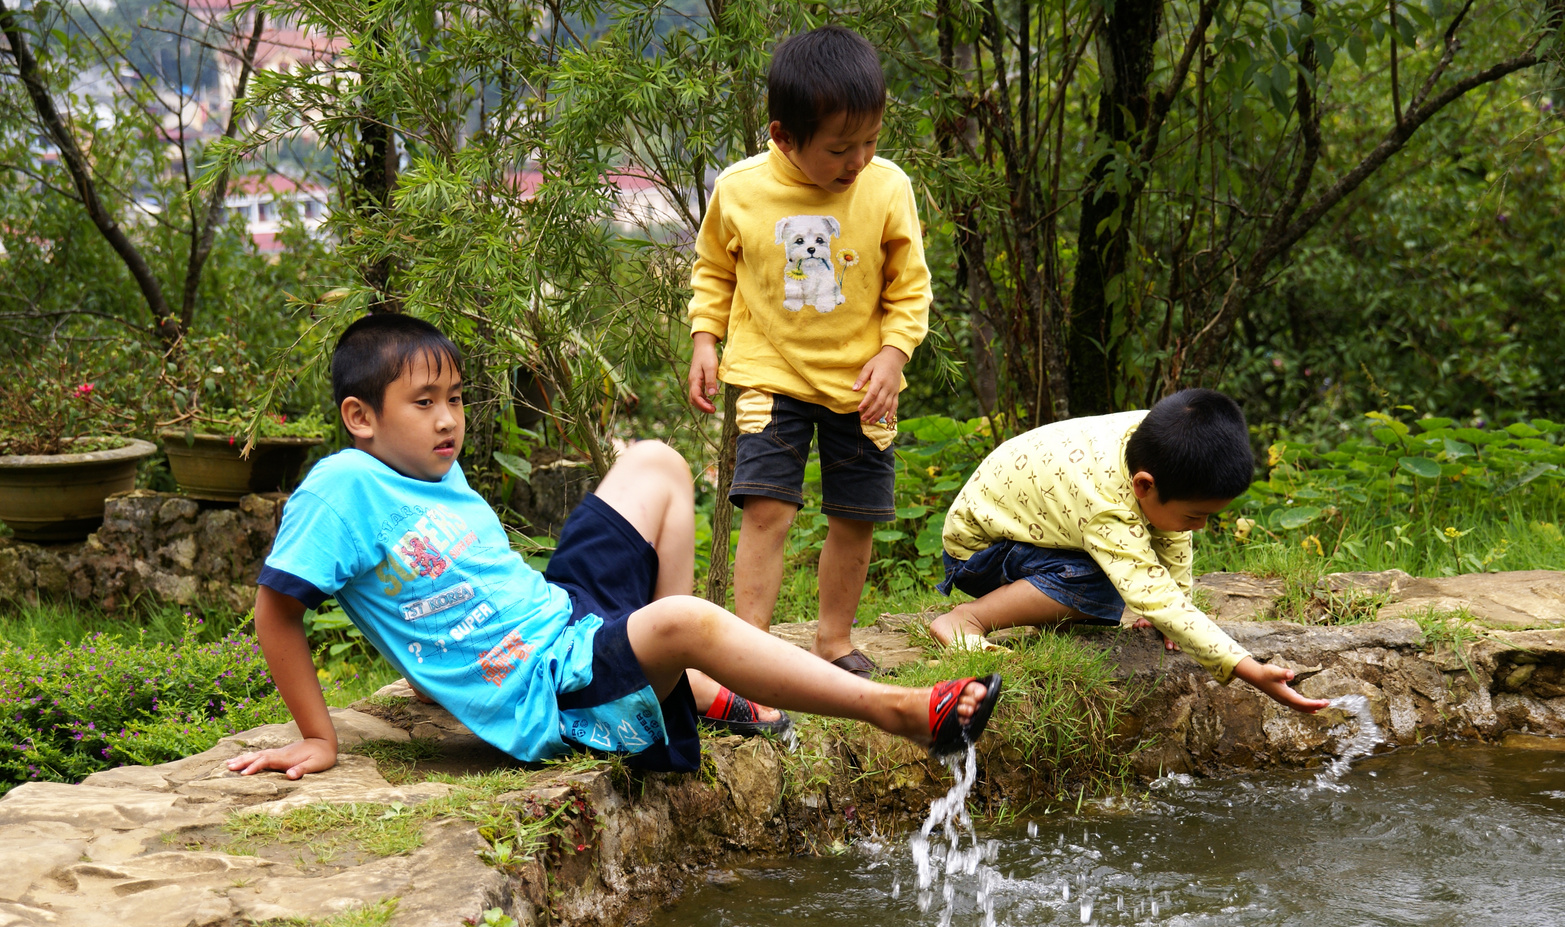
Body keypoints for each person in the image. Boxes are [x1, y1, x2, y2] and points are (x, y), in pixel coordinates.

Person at [226, 313, 1001, 782]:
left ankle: (683, 683)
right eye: (423, 403)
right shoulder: (341, 488)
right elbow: (276, 609)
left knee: (657, 461)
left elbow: (442, 588)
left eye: (455, 400)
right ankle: (892, 712)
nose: (447, 421)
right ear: (360, 417)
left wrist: (429, 674)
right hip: (547, 686)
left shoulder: (429, 468)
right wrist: (319, 738)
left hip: (564, 622)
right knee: (686, 620)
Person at [686, 25, 930, 681]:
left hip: (863, 386)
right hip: (770, 376)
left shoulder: (886, 187)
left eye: (870, 142)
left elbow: (911, 287)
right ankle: (748, 653)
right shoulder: (739, 189)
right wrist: (704, 340)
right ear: (782, 136)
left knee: (856, 516)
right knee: (767, 509)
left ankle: (832, 641)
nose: (857, 161)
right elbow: (712, 271)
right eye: (839, 149)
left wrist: (894, 354)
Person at [930, 389, 1329, 714]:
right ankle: (965, 621)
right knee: (1103, 583)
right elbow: (1152, 594)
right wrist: (1250, 670)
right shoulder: (1106, 503)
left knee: (1132, 562)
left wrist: (1176, 609)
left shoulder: (1158, 442)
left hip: (1033, 536)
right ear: (1143, 485)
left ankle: (1044, 605)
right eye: (1196, 514)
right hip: (979, 556)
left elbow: (1170, 532)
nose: (1201, 527)